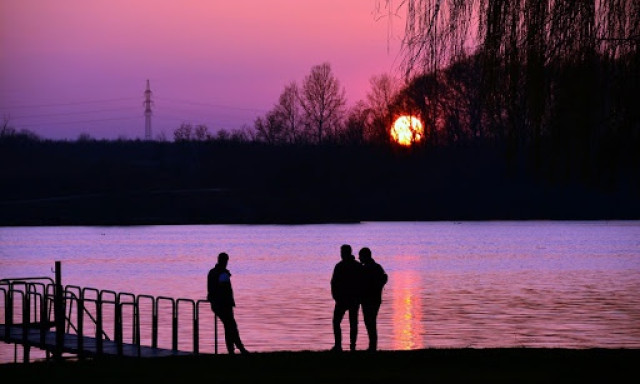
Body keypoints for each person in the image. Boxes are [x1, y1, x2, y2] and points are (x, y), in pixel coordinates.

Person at [207, 252, 249, 354]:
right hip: (224, 305)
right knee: (231, 326)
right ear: (224, 261)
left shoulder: (212, 272)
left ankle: (232, 349)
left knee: (229, 326)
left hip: (217, 304)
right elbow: (225, 290)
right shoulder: (222, 274)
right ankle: (239, 348)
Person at [330, 244, 362, 352]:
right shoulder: (356, 266)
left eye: (342, 252)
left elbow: (334, 282)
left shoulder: (341, 266)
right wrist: (335, 296)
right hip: (346, 299)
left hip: (347, 299)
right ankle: (346, 346)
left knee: (342, 322)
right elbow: (334, 283)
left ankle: (343, 346)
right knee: (349, 323)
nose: (341, 254)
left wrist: (336, 296)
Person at [358, 247, 388, 351]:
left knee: (369, 321)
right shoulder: (377, 266)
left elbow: (383, 278)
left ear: (365, 256)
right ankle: (372, 345)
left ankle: (372, 346)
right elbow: (385, 277)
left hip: (368, 299)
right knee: (371, 321)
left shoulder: (367, 268)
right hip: (375, 299)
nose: (359, 258)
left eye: (360, 256)